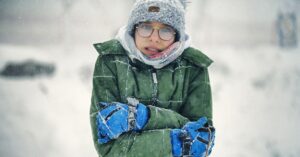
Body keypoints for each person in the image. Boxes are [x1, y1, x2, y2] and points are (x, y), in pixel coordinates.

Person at [90, 0, 216, 156]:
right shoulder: (111, 61)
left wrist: (143, 117)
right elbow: (108, 149)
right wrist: (175, 142)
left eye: (166, 30)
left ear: (177, 36)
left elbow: (201, 140)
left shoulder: (194, 67)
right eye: (146, 27)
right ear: (133, 29)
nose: (154, 38)